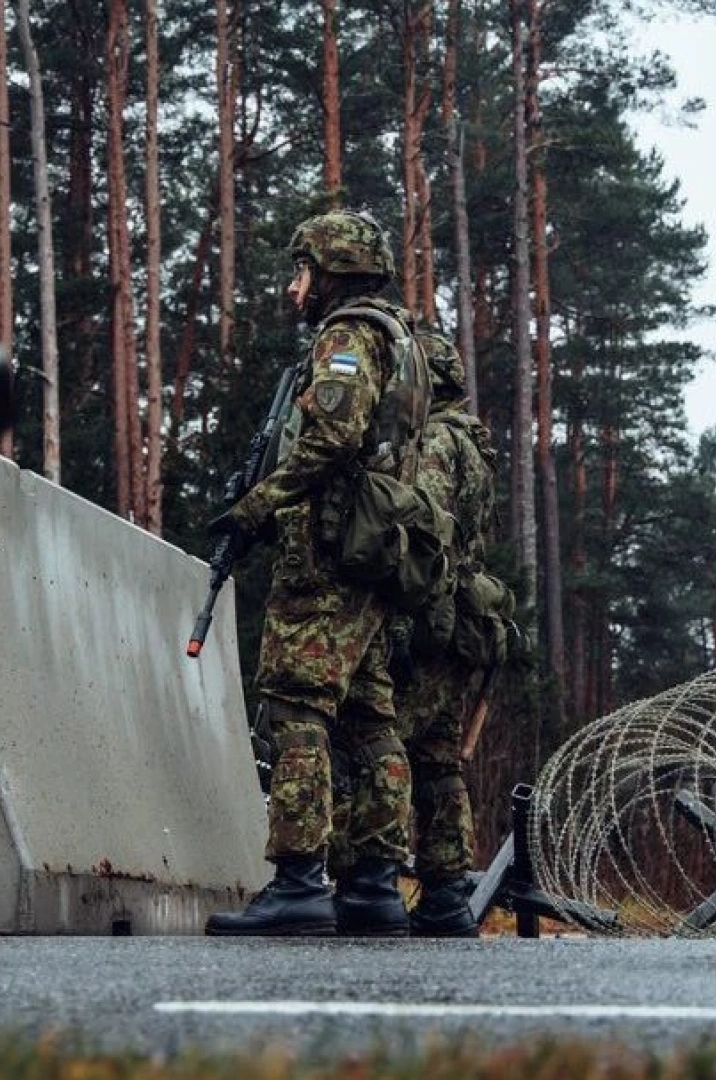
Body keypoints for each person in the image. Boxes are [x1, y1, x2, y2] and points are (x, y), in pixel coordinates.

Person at [203, 209, 421, 937]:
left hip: (327, 559)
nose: (294, 288)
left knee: (298, 707)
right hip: (368, 559)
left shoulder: (349, 337)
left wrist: (256, 507)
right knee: (368, 721)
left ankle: (298, 882)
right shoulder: (399, 339)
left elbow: (331, 434)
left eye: (302, 272)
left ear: (331, 272)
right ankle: (375, 887)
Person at [395, 331, 499, 937]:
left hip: (431, 618)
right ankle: (446, 891)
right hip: (459, 619)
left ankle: (371, 881)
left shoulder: (435, 439)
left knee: (382, 744)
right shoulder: (473, 442)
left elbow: (422, 526)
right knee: (438, 761)